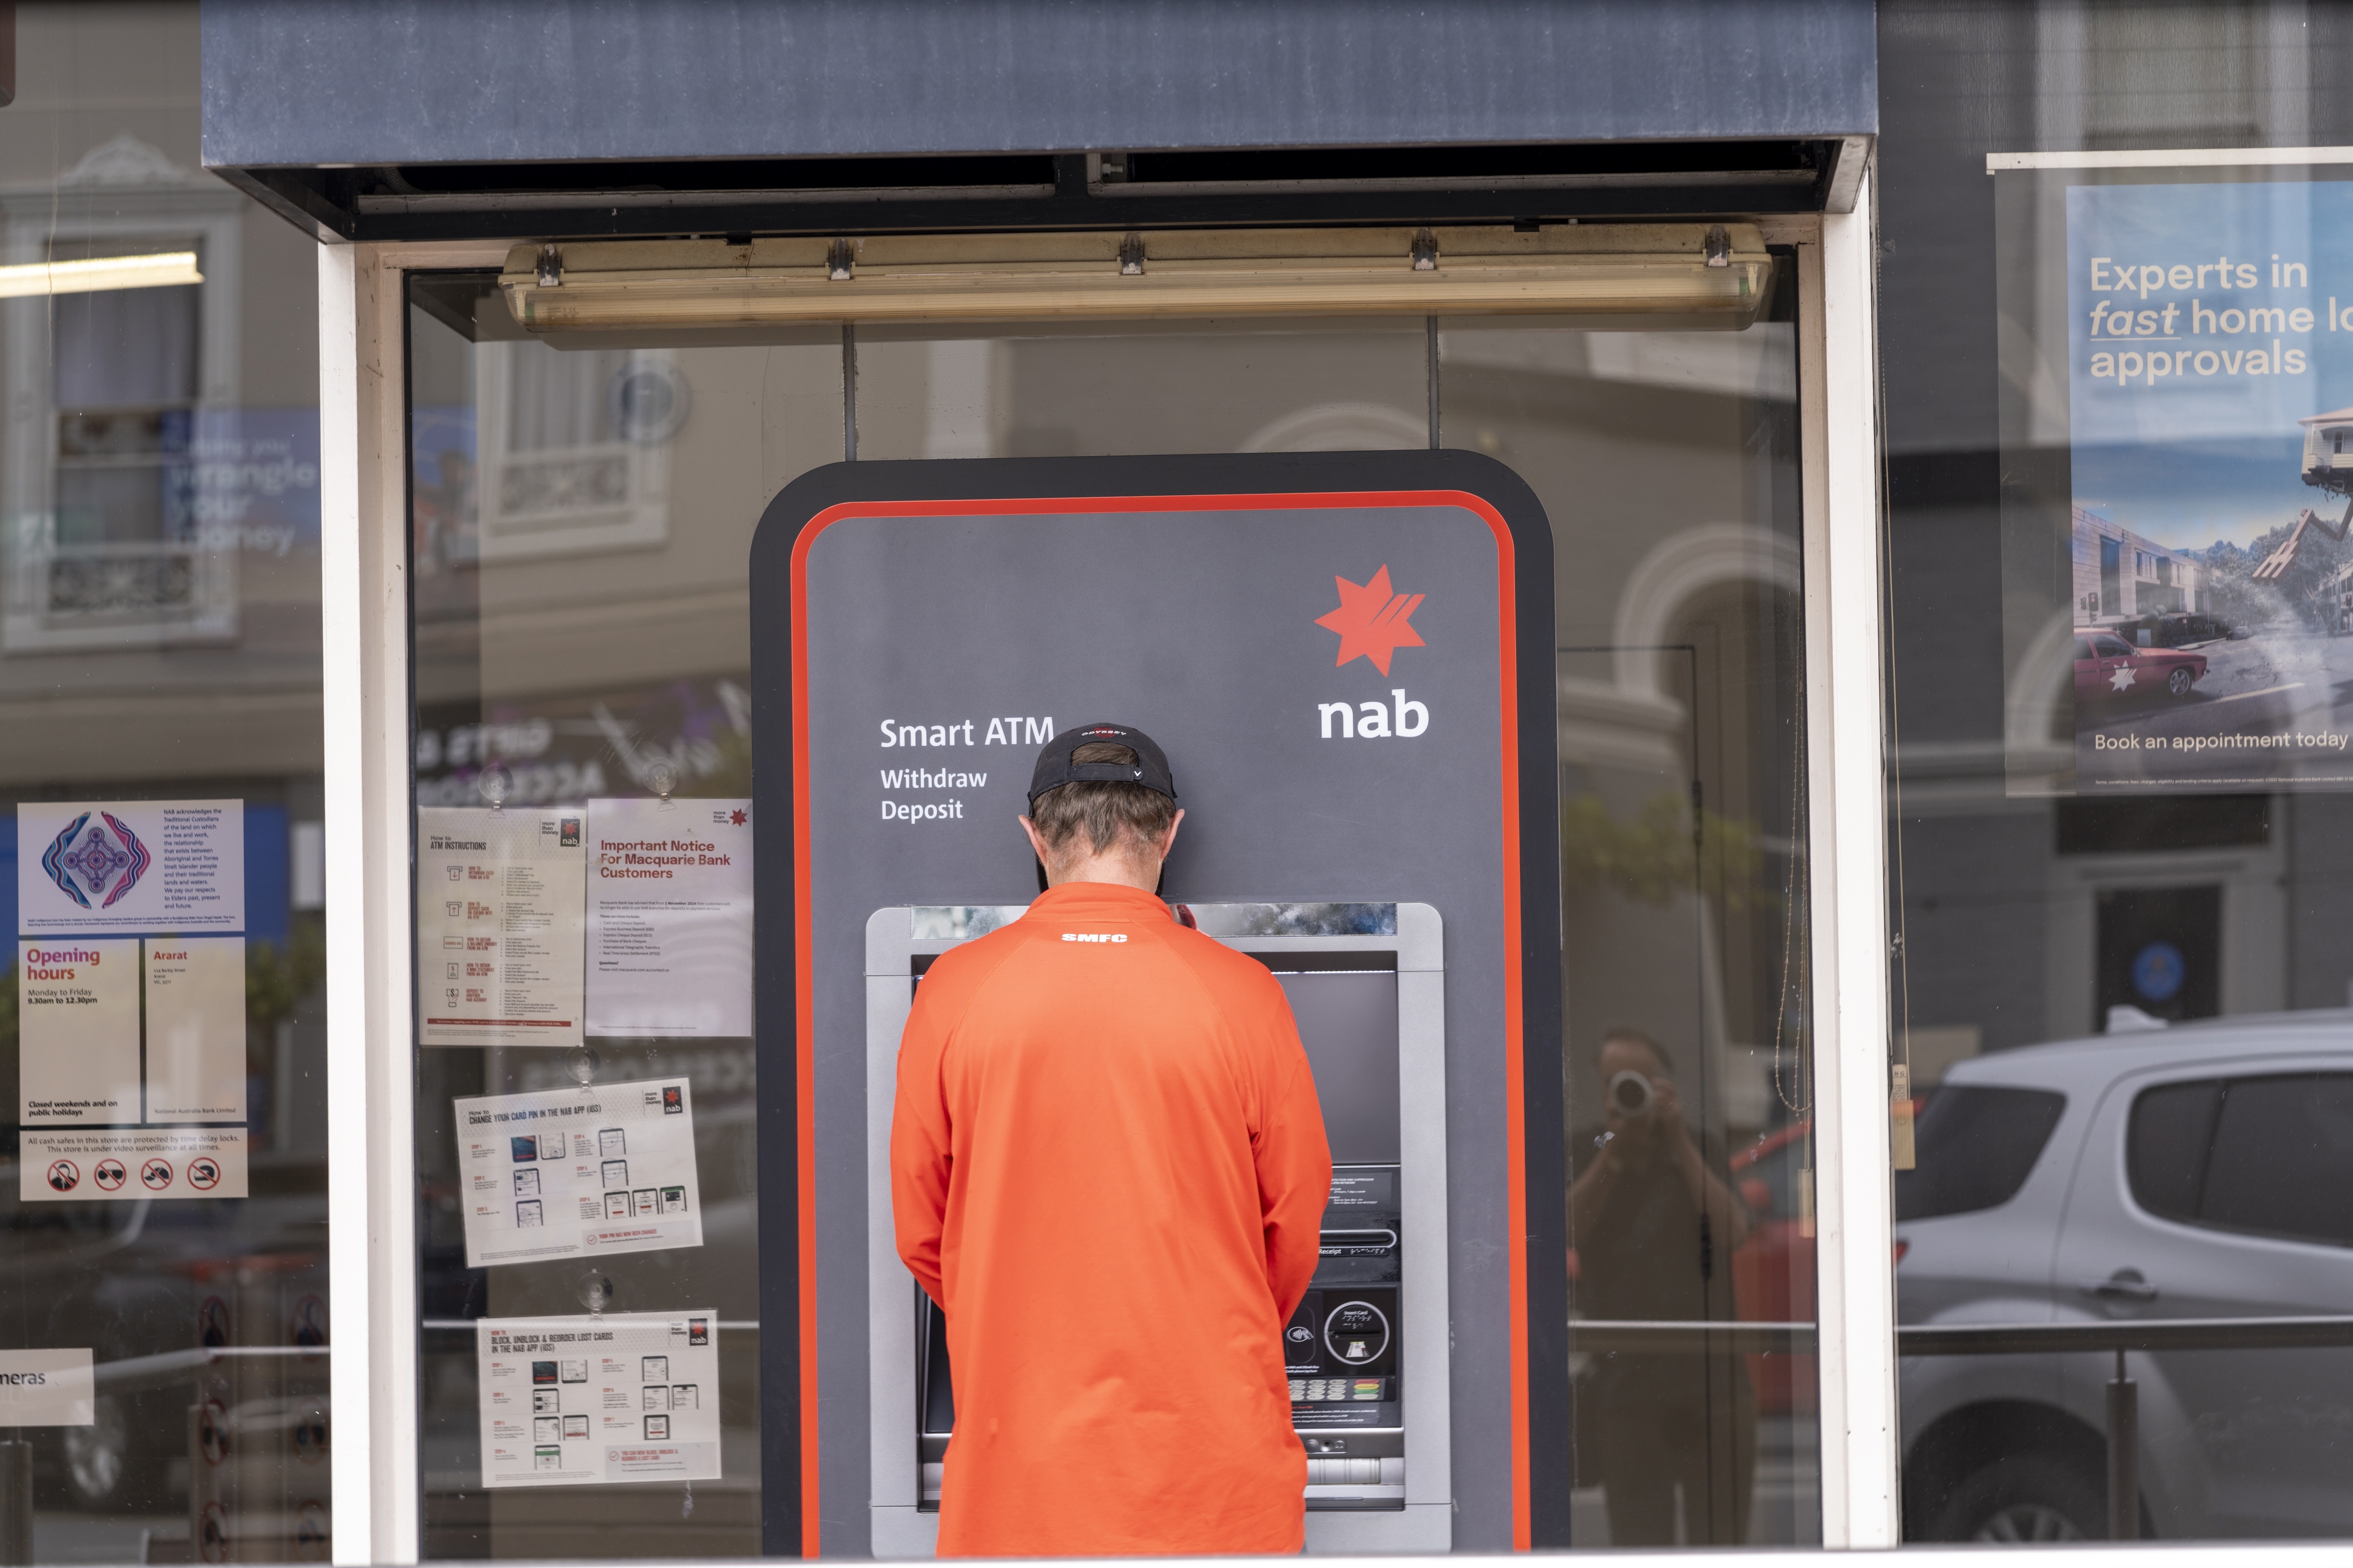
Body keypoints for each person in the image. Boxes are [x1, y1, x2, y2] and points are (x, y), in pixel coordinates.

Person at [890, 723, 1333, 1556]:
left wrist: (1018, 1315)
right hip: (1213, 1479)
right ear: (1169, 830)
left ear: (1033, 835)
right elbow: (1296, 1220)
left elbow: (922, 1231)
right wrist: (1205, 1318)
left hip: (1019, 1473)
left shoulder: (955, 991)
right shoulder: (1243, 993)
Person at [1565, 1027, 1757, 1546]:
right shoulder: (1588, 1149)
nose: (1626, 1095)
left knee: (1721, 1544)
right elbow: (1565, 1234)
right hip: (1627, 1389)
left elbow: (1733, 1231)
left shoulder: (1700, 1146)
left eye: (1639, 1081)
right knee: (1638, 1542)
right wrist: (1615, 1154)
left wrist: (1676, 1142)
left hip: (1713, 1387)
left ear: (1664, 1084)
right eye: (1614, 1084)